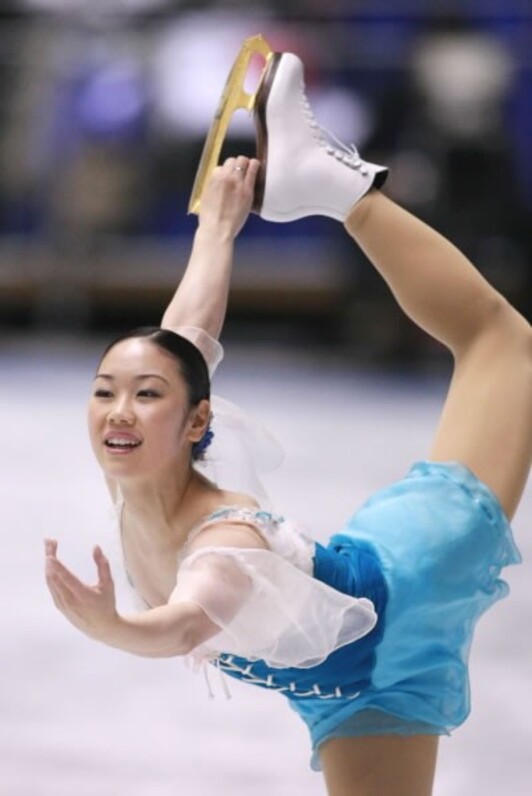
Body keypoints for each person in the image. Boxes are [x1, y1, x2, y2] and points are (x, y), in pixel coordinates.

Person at [44, 51, 531, 796]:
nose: (118, 409)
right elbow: (187, 343)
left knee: (500, 342)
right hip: (347, 685)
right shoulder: (147, 468)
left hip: (411, 579)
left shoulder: (226, 543)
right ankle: (321, 186)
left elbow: (182, 625)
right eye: (105, 390)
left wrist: (115, 627)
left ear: (194, 417)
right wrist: (217, 231)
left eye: (144, 396)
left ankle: (343, 191)